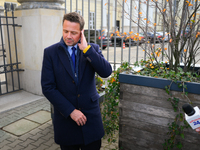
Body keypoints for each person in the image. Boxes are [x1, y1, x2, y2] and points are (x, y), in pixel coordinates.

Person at [41, 12, 112, 150]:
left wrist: (87, 49)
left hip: (90, 120)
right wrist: (71, 111)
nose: (68, 36)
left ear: (81, 32)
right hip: (66, 121)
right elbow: (48, 87)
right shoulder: (50, 53)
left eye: (73, 32)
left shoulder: (92, 49)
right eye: (65, 31)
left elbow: (106, 72)